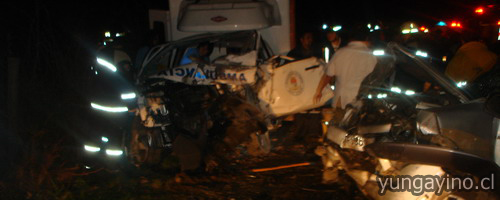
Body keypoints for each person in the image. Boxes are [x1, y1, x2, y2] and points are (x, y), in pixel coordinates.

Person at [313, 26, 377, 109]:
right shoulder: (370, 56)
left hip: (341, 99)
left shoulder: (340, 53)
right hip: (360, 101)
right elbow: (374, 78)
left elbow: (328, 75)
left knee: (339, 121)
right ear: (367, 39)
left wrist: (319, 92)